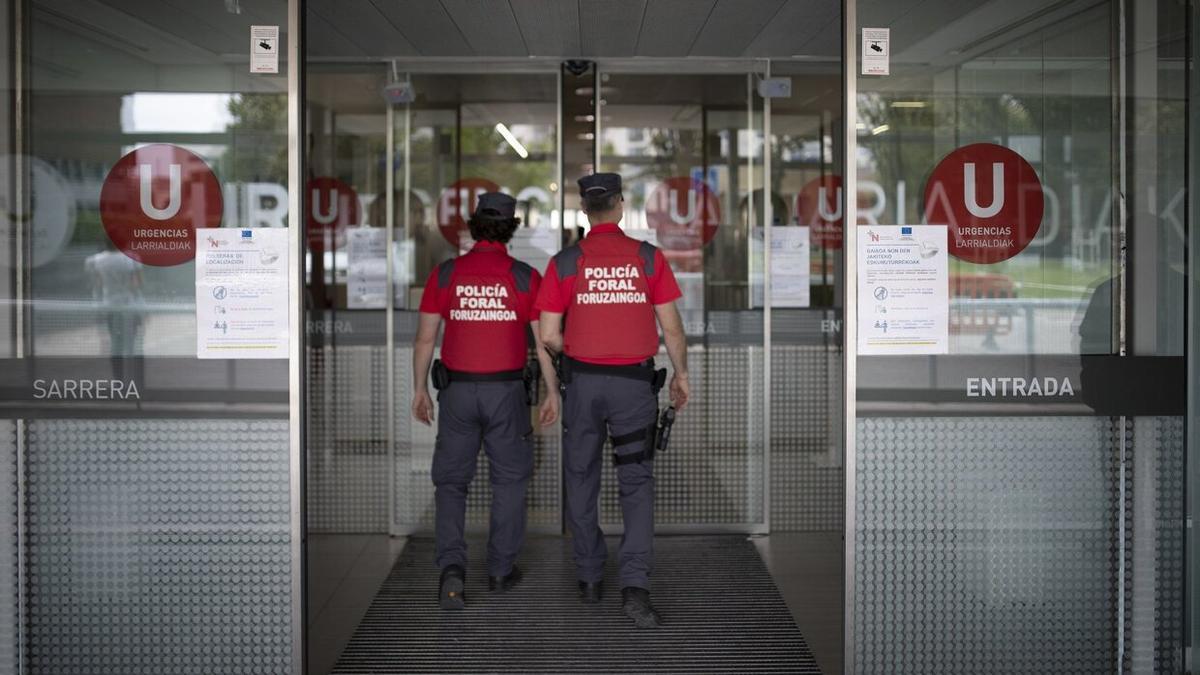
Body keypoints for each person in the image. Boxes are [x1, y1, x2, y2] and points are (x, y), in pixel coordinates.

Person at [535, 173, 690, 628]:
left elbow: (547, 335)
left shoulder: (564, 262)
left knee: (581, 478)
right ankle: (636, 590)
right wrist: (681, 375)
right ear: (621, 206)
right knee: (636, 485)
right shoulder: (648, 258)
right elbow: (672, 328)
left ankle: (588, 579)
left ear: (584, 210)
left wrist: (577, 355)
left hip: (582, 386)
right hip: (633, 388)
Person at [411, 192, 560, 610]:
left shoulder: (445, 275)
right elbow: (543, 343)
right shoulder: (525, 277)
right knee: (509, 482)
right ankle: (499, 569)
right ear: (510, 229)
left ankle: (452, 571)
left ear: (474, 225)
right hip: (506, 395)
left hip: (457, 393)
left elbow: (425, 339)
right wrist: (551, 391)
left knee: (451, 484)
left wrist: (419, 388)